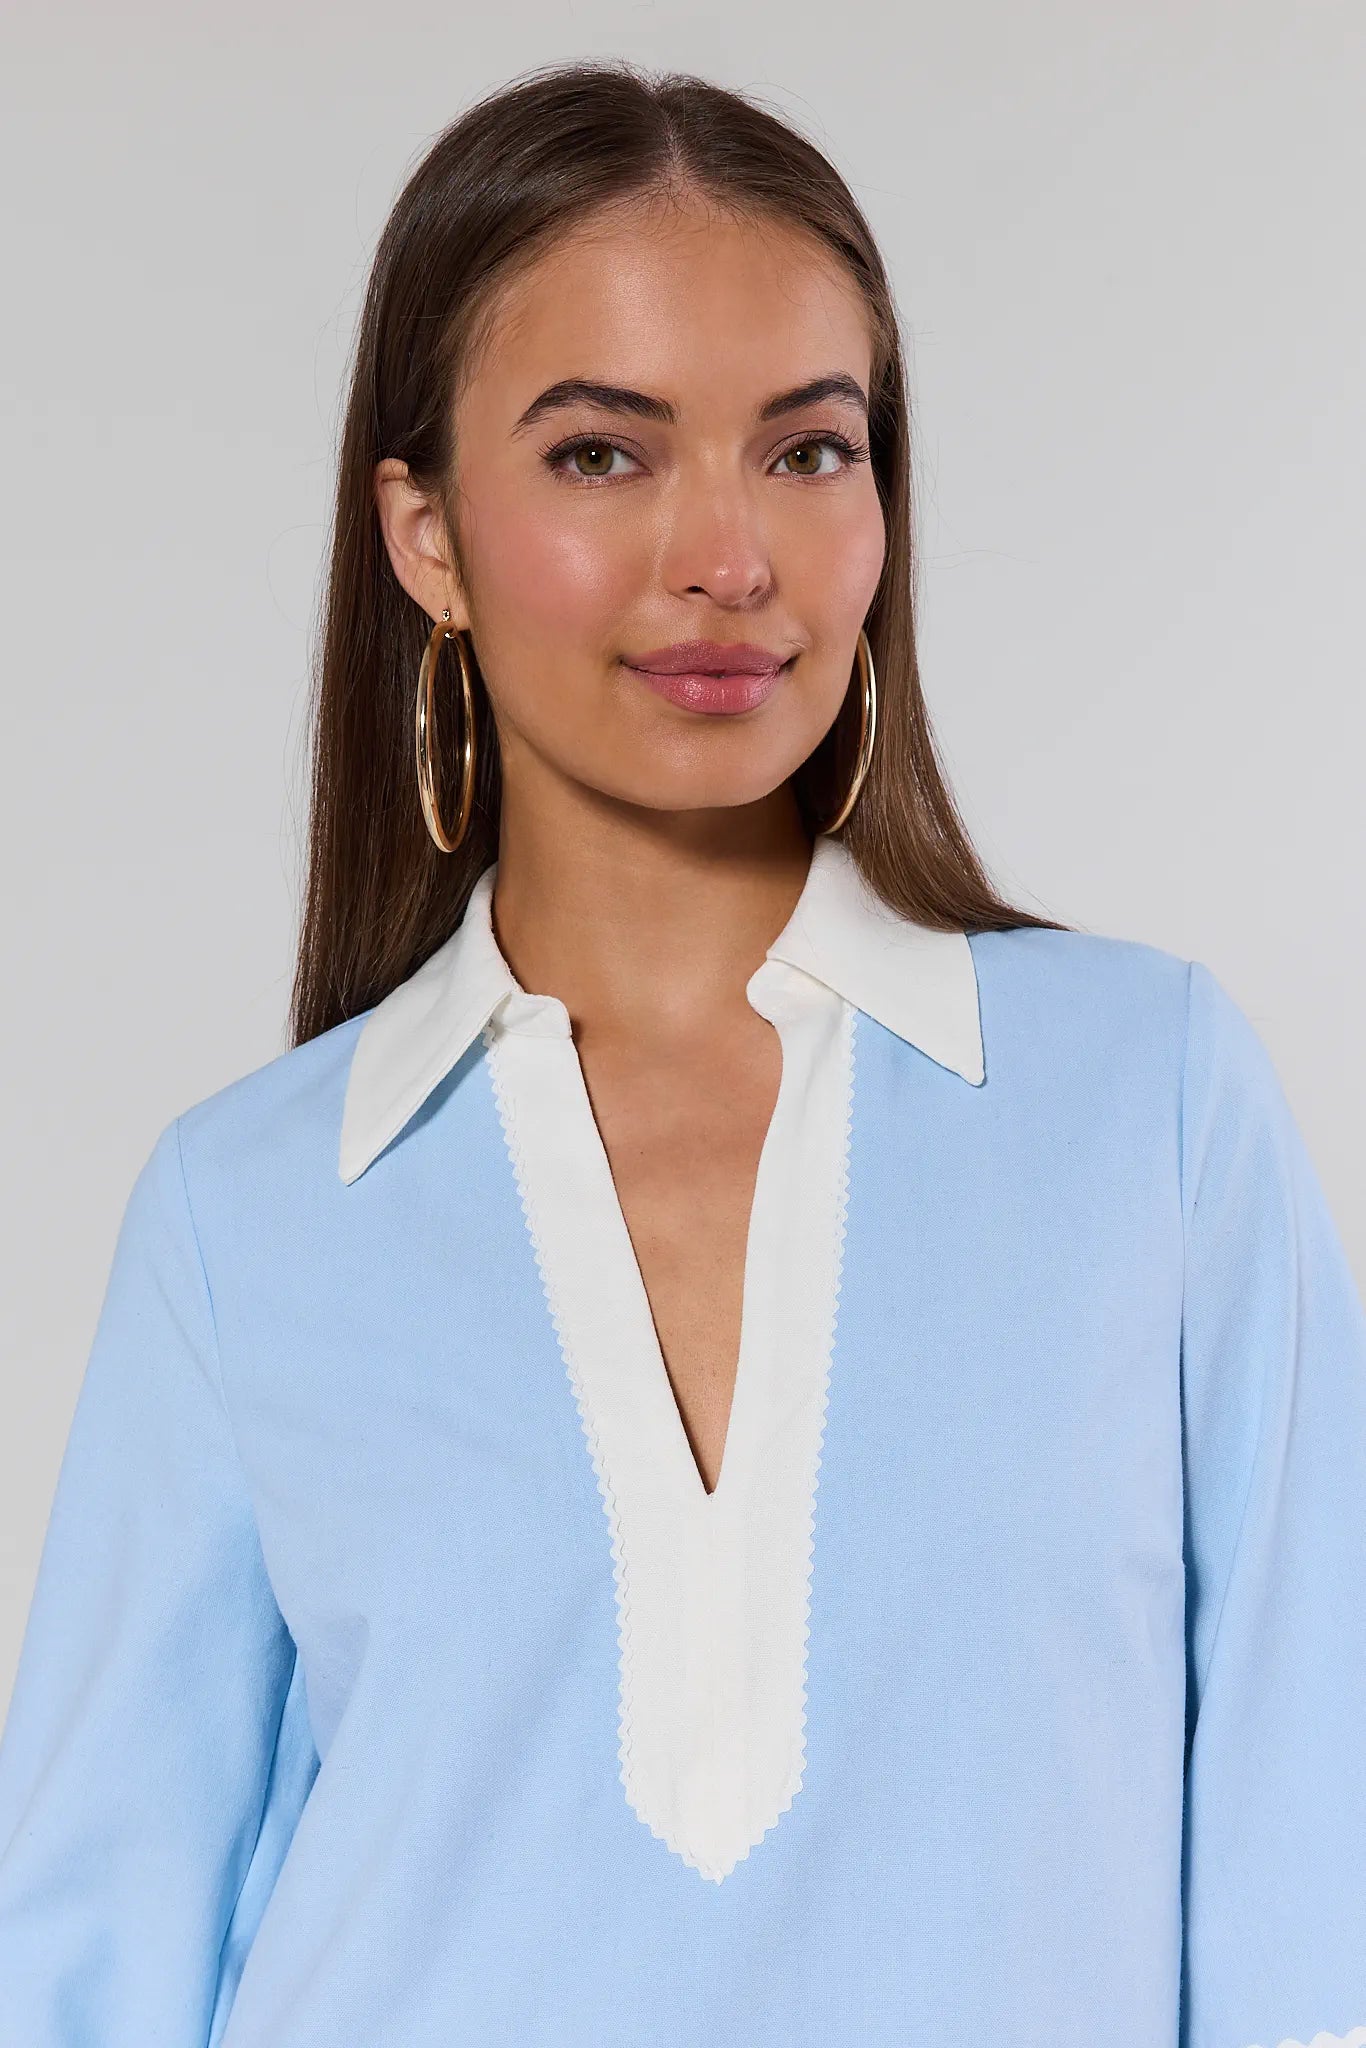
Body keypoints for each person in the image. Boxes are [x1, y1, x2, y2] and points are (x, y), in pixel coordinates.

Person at [0, 57, 1362, 2048]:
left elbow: (1305, 1878)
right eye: (598, 456)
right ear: (424, 535)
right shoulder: (250, 1216)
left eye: (806, 452)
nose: (726, 556)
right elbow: (86, 1978)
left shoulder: (1143, 1109)